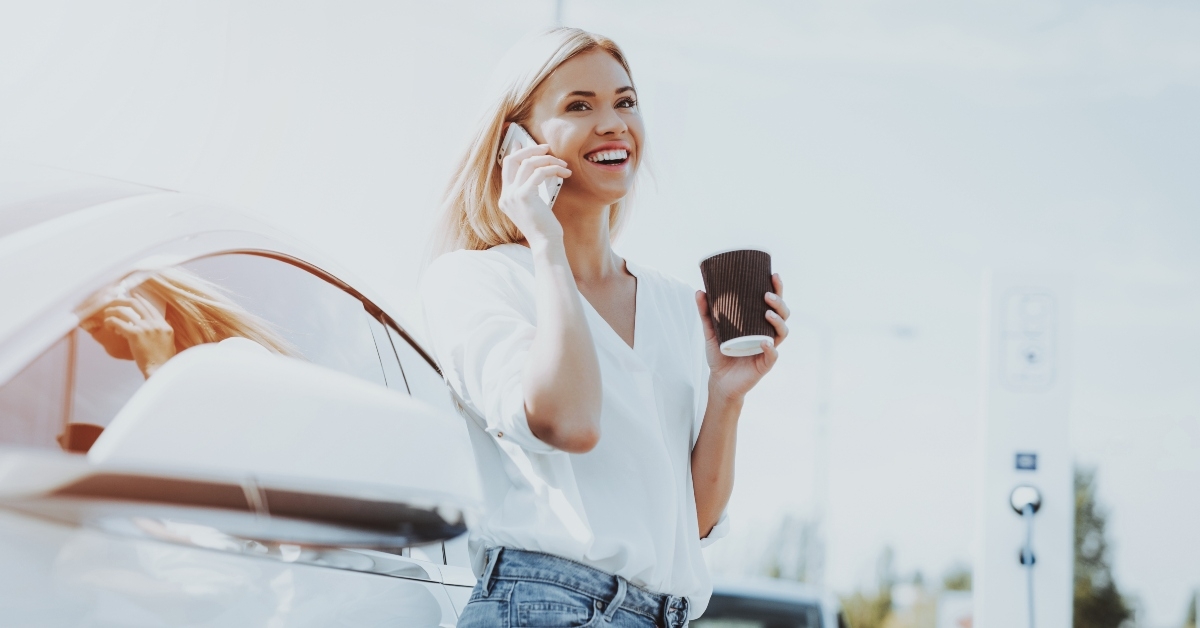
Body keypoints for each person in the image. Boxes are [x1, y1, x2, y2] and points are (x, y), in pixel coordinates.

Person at [421, 28, 791, 626]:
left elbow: (686, 526)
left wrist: (726, 396)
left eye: (624, 102)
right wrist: (545, 241)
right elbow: (568, 421)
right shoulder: (475, 281)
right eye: (578, 106)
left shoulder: (675, 304)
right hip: (543, 605)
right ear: (516, 142)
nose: (614, 123)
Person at [63, 266, 296, 453]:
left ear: (141, 298)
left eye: (91, 302)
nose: (81, 321)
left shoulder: (238, 357)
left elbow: (220, 460)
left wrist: (158, 369)